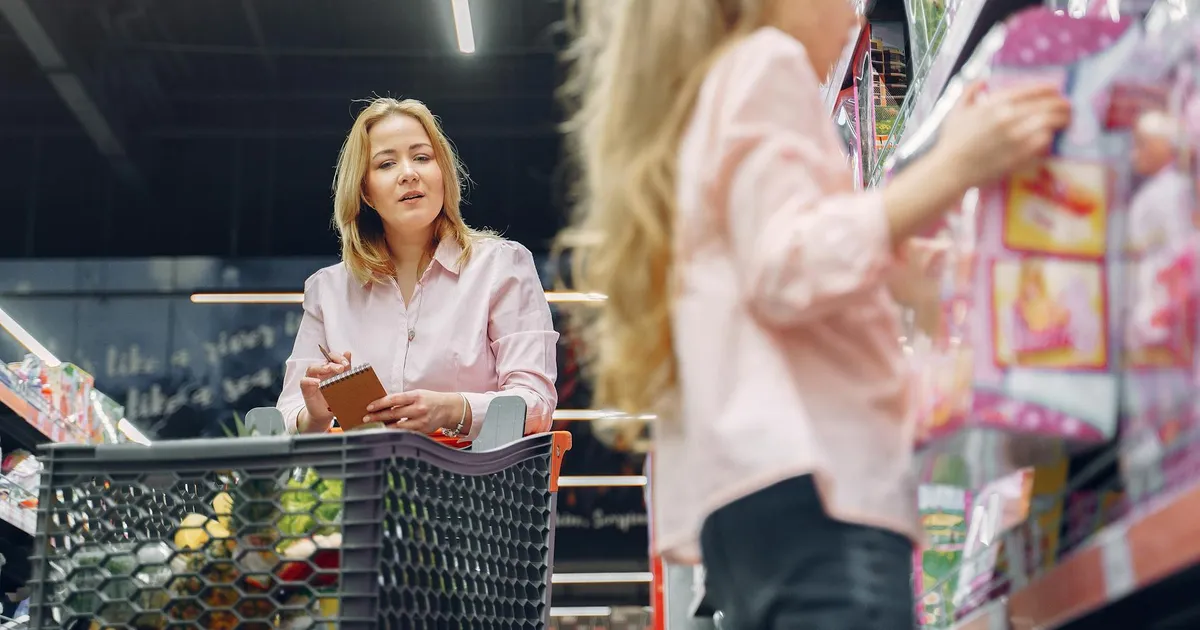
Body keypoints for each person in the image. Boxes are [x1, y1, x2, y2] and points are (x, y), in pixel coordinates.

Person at [558, 0, 1070, 627]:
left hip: (750, 505)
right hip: (817, 488)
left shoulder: (699, 108)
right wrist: (954, 167)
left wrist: (892, 269)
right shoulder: (763, 64)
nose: (860, 20)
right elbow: (786, 265)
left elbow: (760, 278)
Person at [277, 97, 559, 440]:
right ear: (365, 191)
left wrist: (452, 408)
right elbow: (285, 417)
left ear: (442, 173)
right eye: (386, 164)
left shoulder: (501, 266)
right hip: (366, 488)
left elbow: (537, 404)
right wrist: (316, 415)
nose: (409, 174)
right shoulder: (328, 291)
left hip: (479, 488)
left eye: (422, 158)